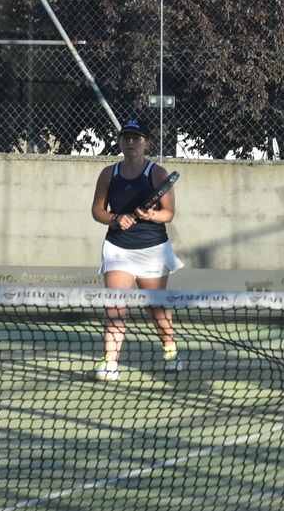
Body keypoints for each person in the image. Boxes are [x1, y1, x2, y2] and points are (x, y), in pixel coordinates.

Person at [86, 118, 185, 381]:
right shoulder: (108, 174)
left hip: (153, 250)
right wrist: (116, 218)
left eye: (136, 138)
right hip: (118, 248)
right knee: (115, 304)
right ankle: (110, 363)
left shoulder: (158, 173)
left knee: (155, 305)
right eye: (126, 138)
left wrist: (151, 215)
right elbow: (97, 211)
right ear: (120, 142)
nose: (130, 142)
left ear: (146, 143)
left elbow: (168, 213)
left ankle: (170, 349)